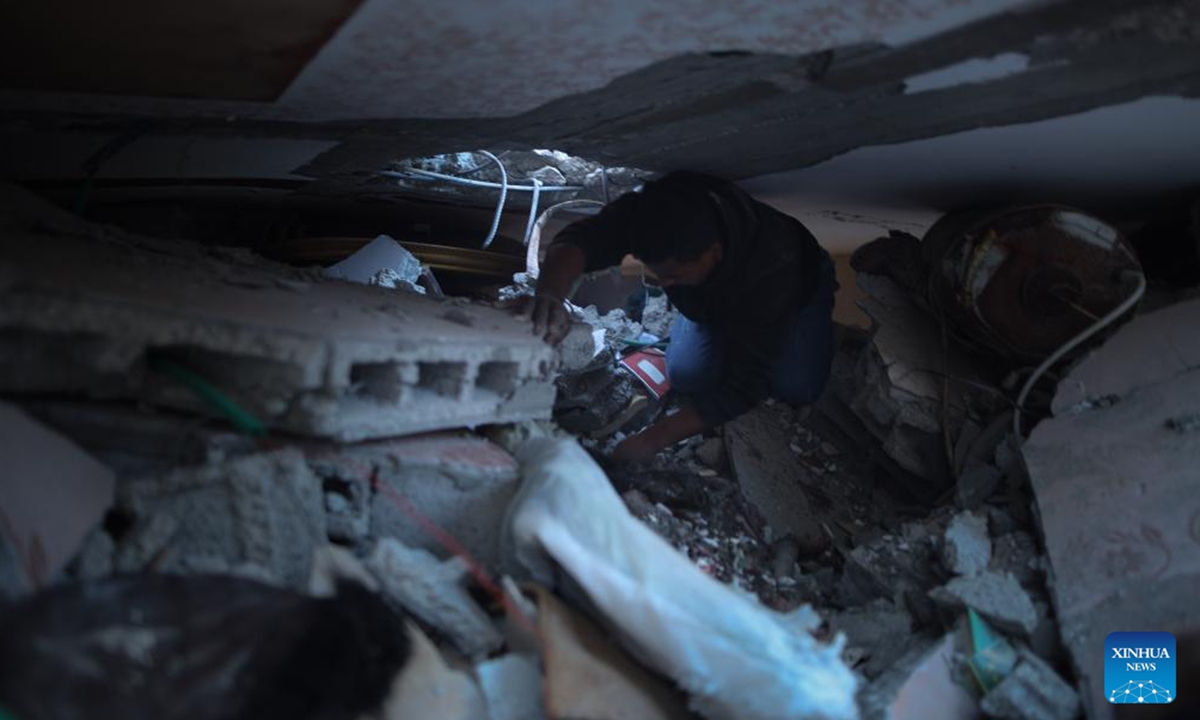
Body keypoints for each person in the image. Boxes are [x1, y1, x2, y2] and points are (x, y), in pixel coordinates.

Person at [520, 170, 837, 462]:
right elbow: (579, 241)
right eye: (657, 272)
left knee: (795, 386)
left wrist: (654, 439)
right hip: (714, 299)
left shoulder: (771, 272)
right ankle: (712, 320)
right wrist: (550, 295)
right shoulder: (649, 214)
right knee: (688, 375)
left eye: (673, 276)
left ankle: (772, 329)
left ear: (713, 253)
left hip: (798, 286)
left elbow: (746, 386)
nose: (664, 283)